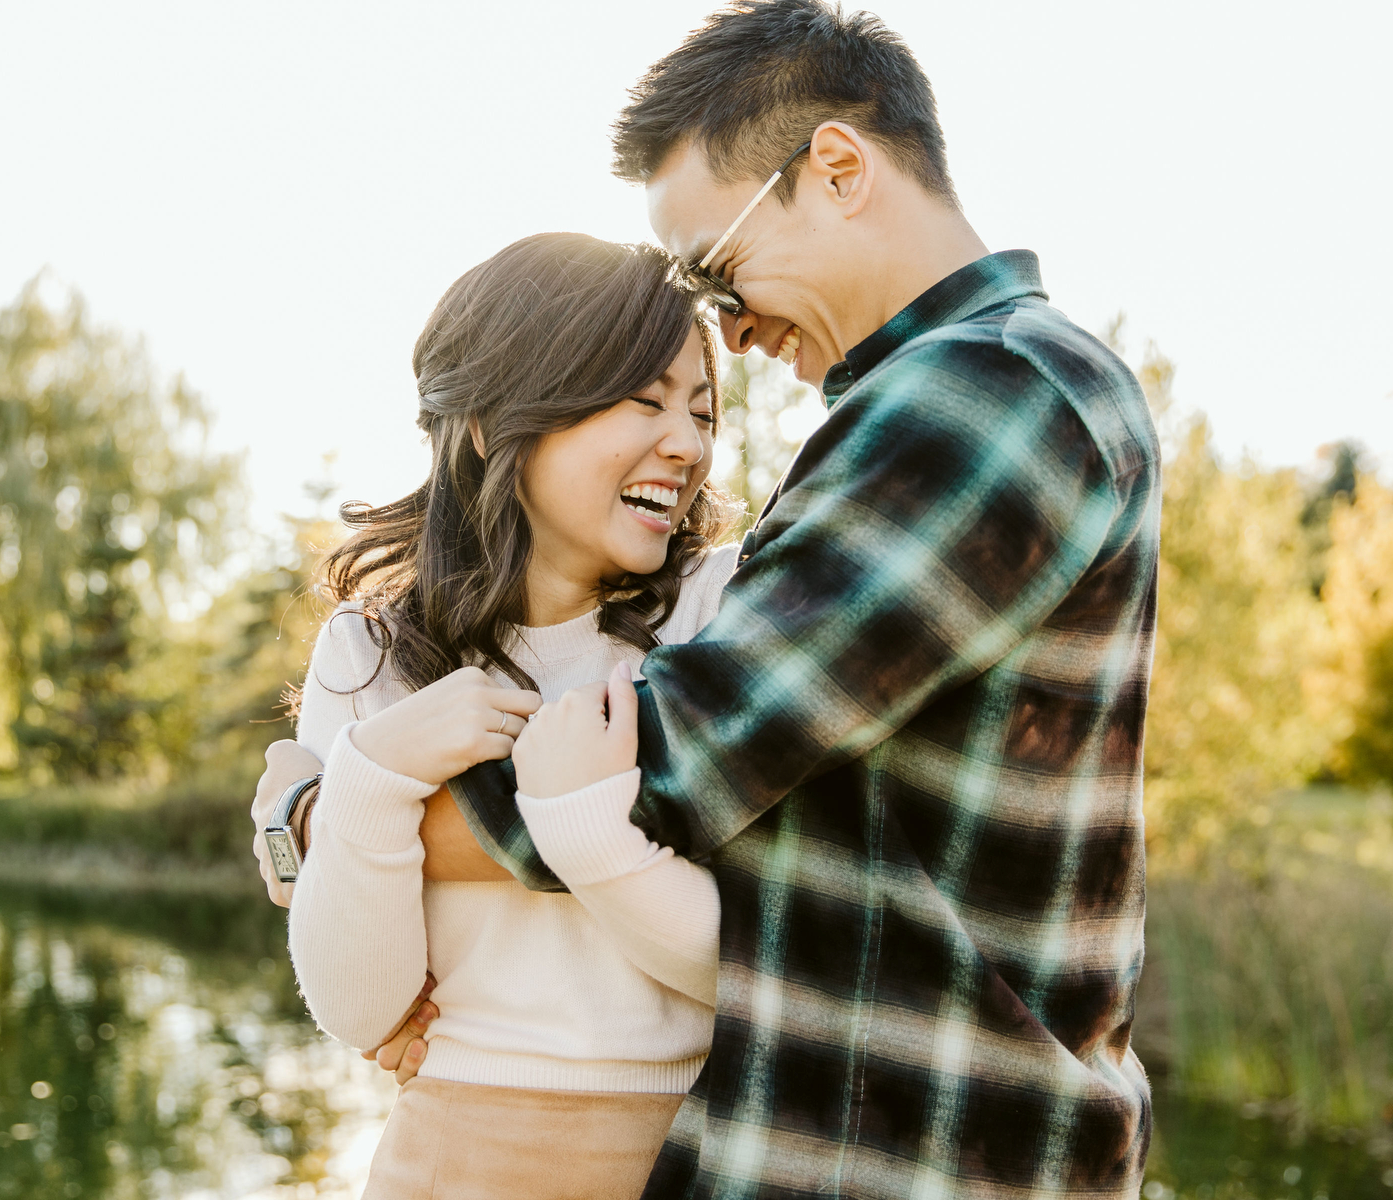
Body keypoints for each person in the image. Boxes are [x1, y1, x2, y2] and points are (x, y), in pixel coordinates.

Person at [259, 3, 1161, 1197]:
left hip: (934, 1149)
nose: (726, 328)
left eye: (717, 267)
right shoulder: (921, 407)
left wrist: (327, 816)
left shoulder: (992, 394)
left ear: (836, 168)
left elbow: (676, 760)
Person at [280, 231, 746, 1200]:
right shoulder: (367, 656)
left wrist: (589, 833)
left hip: (698, 1155)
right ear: (495, 421)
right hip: (446, 1160)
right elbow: (363, 1010)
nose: (690, 445)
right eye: (646, 398)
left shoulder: (725, 608)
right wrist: (368, 784)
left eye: (701, 411)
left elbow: (761, 963)